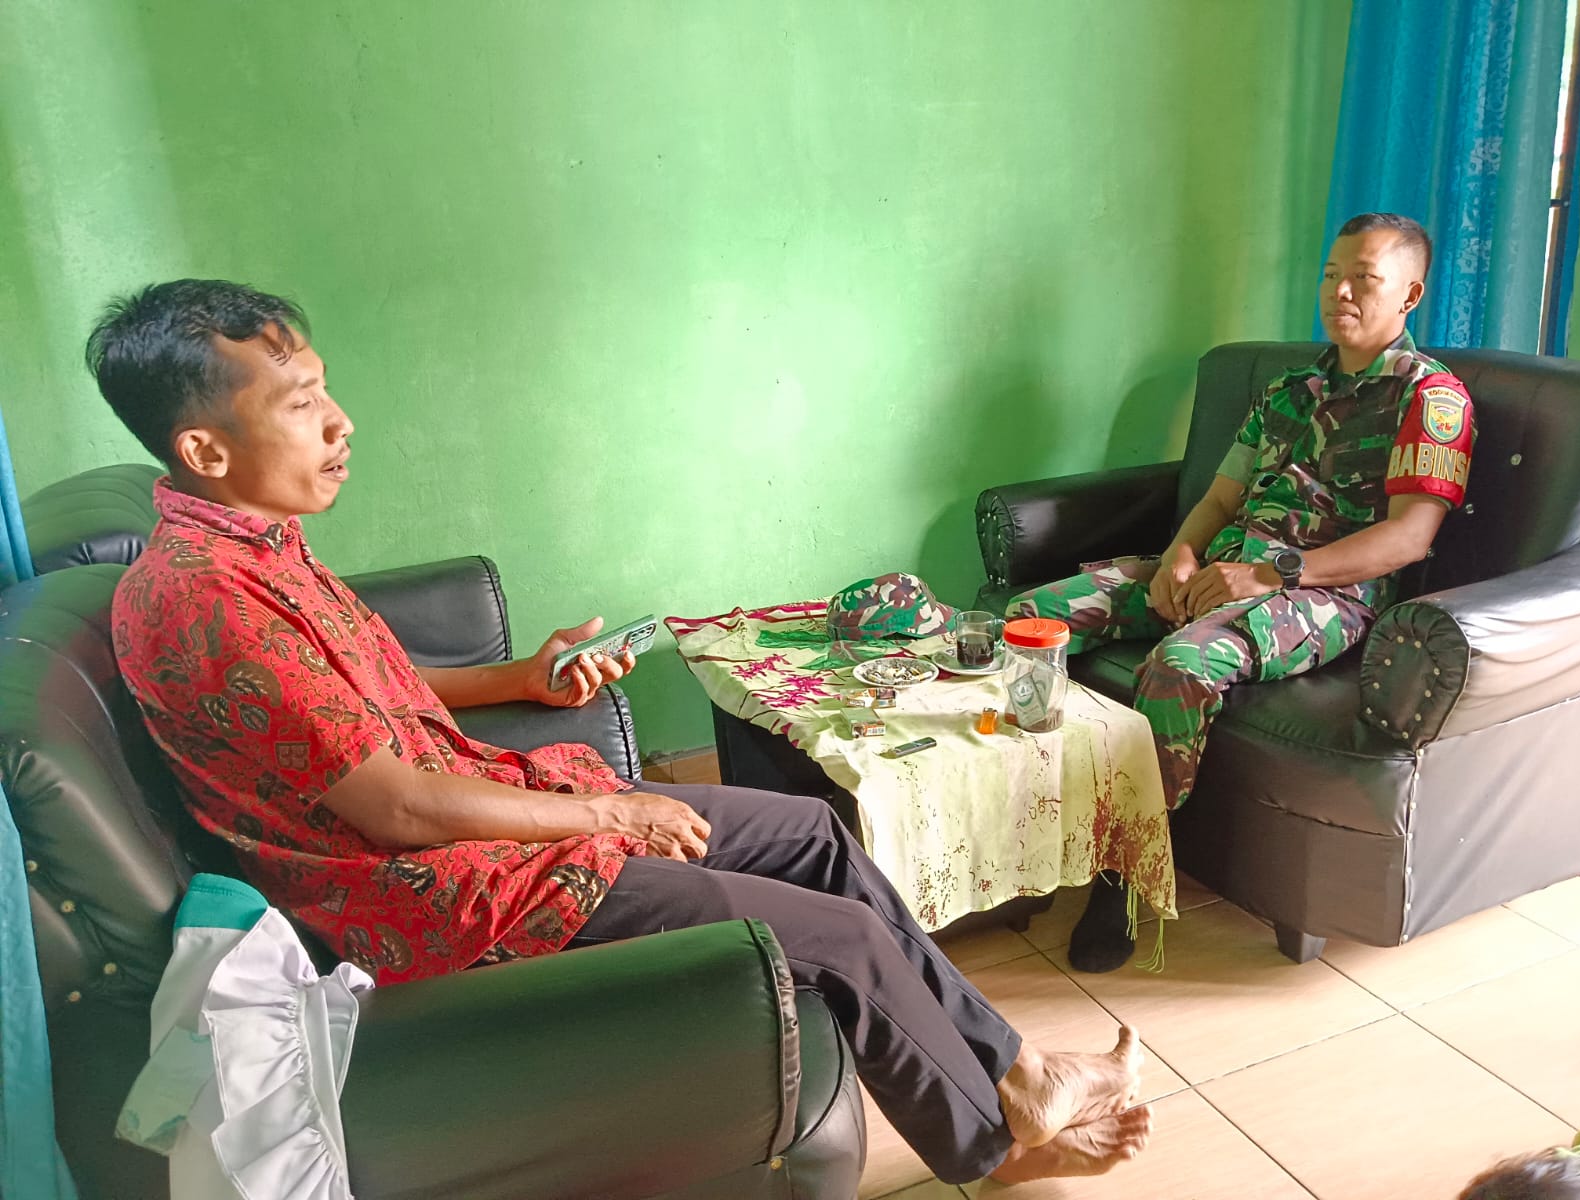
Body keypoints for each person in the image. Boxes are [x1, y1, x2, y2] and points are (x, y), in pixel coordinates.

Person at [90, 278, 1151, 1186]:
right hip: (438, 893)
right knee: (842, 938)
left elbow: (358, 694)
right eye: (302, 403)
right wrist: (613, 813)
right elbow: (397, 808)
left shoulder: (252, 545)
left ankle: (1020, 1074)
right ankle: (990, 1153)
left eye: (325, 390)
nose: (340, 423)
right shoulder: (207, 602)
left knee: (813, 834)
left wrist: (523, 680)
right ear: (204, 448)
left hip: (473, 830)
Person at [1010, 212, 1477, 972]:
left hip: (1322, 594)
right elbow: (1222, 497)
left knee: (1181, 666)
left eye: (1364, 278)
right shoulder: (1291, 389)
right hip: (1226, 567)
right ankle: (1028, 815)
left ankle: (1123, 875)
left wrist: (1270, 574)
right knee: (1033, 617)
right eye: (1331, 275)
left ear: (1410, 294)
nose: (1340, 292)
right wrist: (1179, 557)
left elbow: (1408, 539)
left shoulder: (1431, 399)